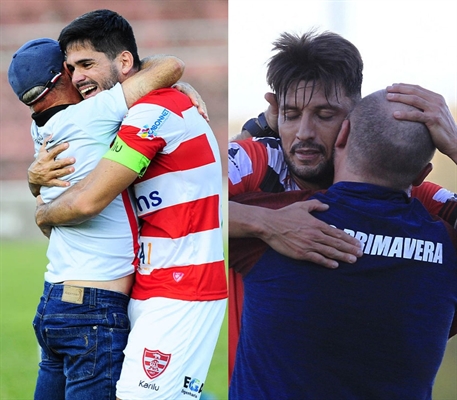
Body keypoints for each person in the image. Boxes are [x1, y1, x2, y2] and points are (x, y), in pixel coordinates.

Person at [227, 31, 457, 378]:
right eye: (290, 114)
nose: (304, 132)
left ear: (354, 119)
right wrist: (267, 223)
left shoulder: (408, 195)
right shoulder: (254, 162)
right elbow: (179, 202)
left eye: (324, 114)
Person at [32, 9, 227, 400]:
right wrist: (34, 179)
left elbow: (86, 200)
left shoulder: (154, 111)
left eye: (87, 64)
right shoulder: (120, 116)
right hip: (144, 283)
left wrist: (43, 213)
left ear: (124, 62)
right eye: (71, 68)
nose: (78, 78)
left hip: (183, 286)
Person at [8, 34, 184, 400]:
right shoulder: (93, 113)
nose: (80, 76)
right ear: (60, 79)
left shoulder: (37, 129)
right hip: (94, 311)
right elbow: (171, 67)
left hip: (53, 304)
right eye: (71, 69)